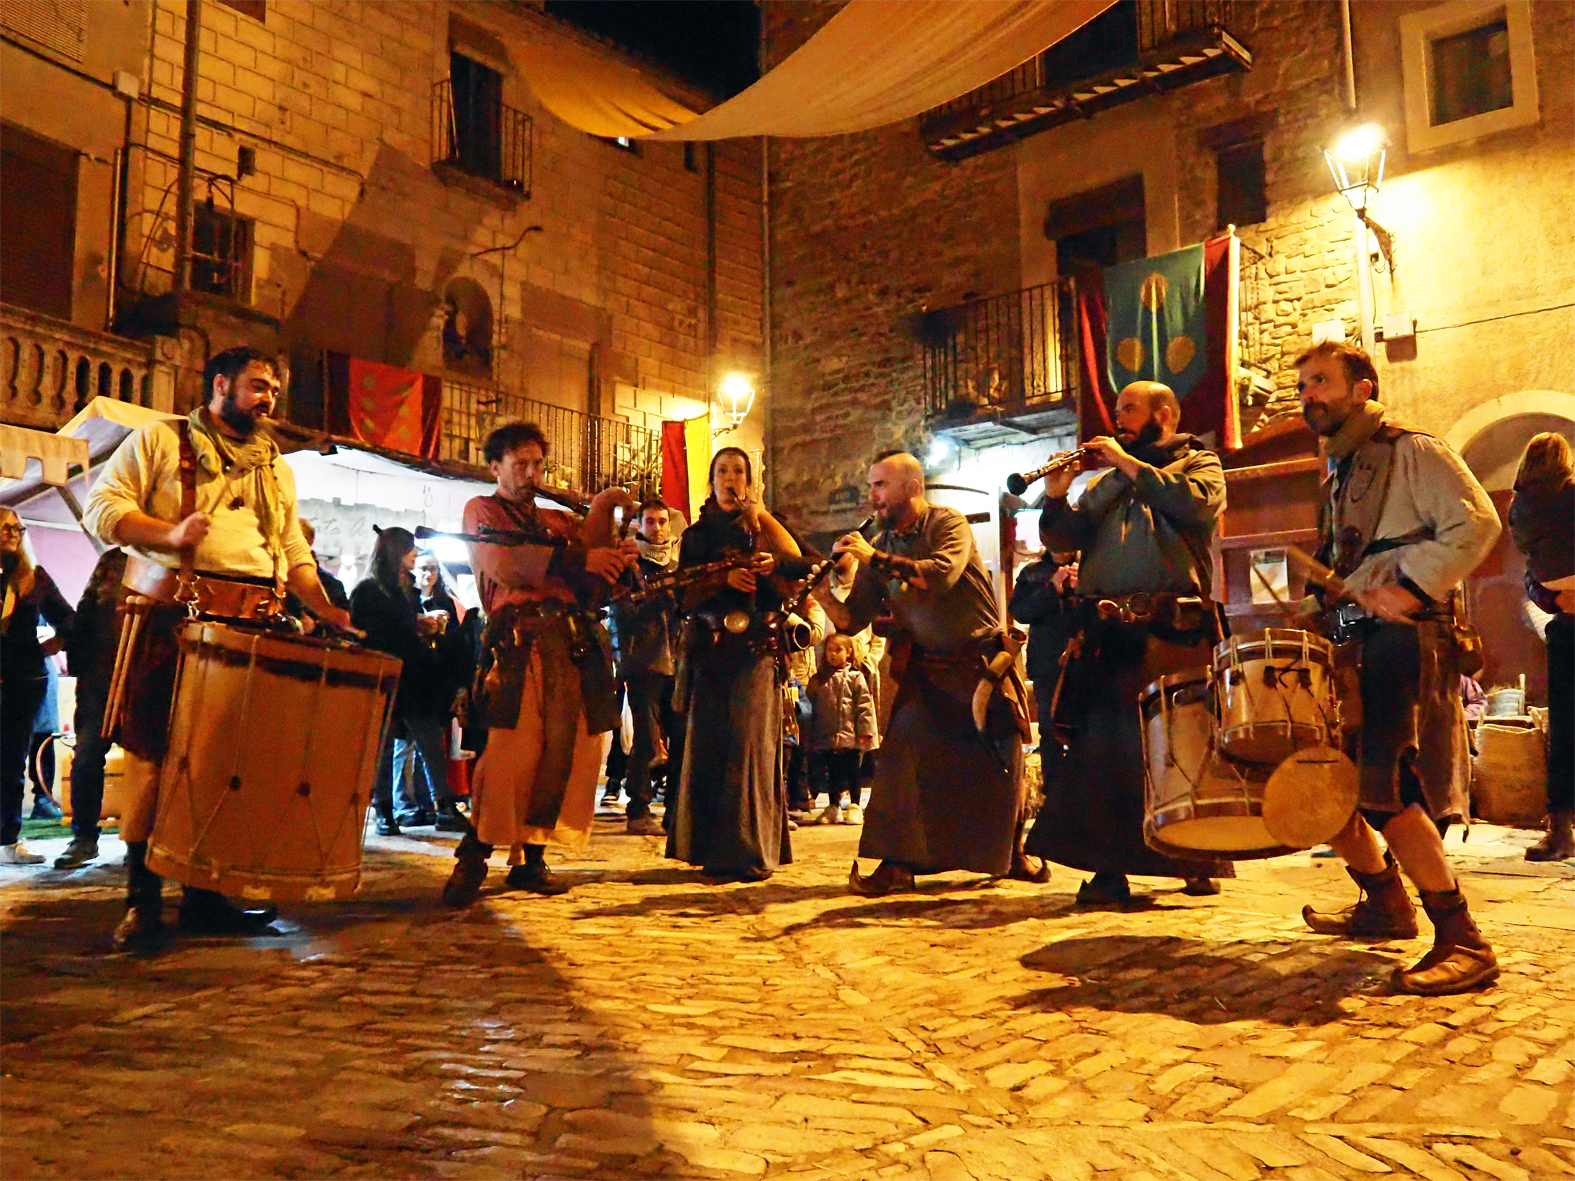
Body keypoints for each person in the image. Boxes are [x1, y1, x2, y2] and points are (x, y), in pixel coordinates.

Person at [81, 345, 352, 949]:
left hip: (253, 623)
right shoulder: (161, 440)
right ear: (221, 385)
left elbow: (291, 548)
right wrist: (170, 532)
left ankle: (204, 897)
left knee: (227, 766)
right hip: (173, 618)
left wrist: (323, 606)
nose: (268, 398)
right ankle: (142, 901)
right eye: (258, 385)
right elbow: (104, 510)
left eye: (274, 389)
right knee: (155, 757)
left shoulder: (274, 467)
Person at [1293, 341, 1501, 995]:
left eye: (1320, 381)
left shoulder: (1412, 449)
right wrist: (1310, 612)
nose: (1308, 396)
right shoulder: (1342, 472)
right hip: (1354, 638)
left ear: (1362, 388)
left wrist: (1409, 588)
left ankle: (1463, 938)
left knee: (1387, 787)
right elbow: (1343, 565)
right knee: (1328, 783)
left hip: (1404, 638)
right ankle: (1385, 903)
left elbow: (1476, 525)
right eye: (1302, 386)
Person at [1025, 383, 1232, 904]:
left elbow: (1196, 507)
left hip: (1171, 633)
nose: (1118, 420)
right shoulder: (1107, 483)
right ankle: (1109, 871)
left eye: (1129, 410)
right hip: (1109, 636)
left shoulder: (1199, 463)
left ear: (1164, 413)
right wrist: (1056, 495)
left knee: (1179, 749)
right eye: (1117, 411)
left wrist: (1125, 462)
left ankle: (1194, 859)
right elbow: (1063, 539)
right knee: (1105, 756)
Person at [816, 452, 1038, 894]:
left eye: (881, 485)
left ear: (912, 488)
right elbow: (851, 620)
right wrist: (821, 589)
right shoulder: (880, 544)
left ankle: (1008, 855)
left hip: (981, 665)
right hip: (927, 668)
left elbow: (940, 576)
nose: (873, 496)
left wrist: (873, 557)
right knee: (901, 761)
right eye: (871, 485)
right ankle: (897, 865)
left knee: (997, 766)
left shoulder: (947, 524)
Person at [441, 421, 634, 904]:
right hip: (517, 646)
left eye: (537, 464)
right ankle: (474, 855)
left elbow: (591, 583)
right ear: (495, 467)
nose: (531, 473)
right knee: (509, 752)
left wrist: (616, 557)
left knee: (566, 750)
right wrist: (581, 559)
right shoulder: (481, 510)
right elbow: (506, 564)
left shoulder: (558, 521)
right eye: (520, 464)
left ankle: (532, 859)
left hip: (568, 645)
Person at [666, 447, 807, 883]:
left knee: (749, 748)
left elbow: (802, 562)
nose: (730, 478)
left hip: (757, 651)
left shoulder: (765, 528)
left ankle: (748, 851)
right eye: (723, 471)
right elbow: (681, 592)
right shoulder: (696, 536)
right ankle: (707, 850)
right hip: (711, 651)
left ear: (749, 480)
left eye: (738, 471)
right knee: (709, 746)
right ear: (711, 480)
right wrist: (720, 579)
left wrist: (769, 556)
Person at [350, 528, 449, 836]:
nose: (415, 555)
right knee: (383, 746)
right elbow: (367, 634)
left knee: (429, 742)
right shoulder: (369, 590)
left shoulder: (402, 590)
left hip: (413, 679)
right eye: (409, 549)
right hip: (386, 675)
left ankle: (443, 805)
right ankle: (383, 810)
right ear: (396, 552)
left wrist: (421, 626)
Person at [1507, 432, 1574, 861]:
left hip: (1564, 625)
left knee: (1564, 730)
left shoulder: (1519, 508)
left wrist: (1552, 598)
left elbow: (1530, 568)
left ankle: (1560, 831)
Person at [0, 509, 74, 865]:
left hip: (23, 680)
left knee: (11, 761)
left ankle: (7, 840)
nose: (12, 533)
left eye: (18, 528)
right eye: (4, 527)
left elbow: (68, 619)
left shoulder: (33, 577)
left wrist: (53, 645)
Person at [609, 499, 683, 837]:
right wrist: (653, 598)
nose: (657, 528)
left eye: (662, 521)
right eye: (650, 522)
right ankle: (638, 809)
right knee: (646, 742)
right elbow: (621, 615)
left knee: (680, 740)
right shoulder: (629, 566)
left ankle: (675, 812)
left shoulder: (676, 566)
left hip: (677, 662)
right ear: (640, 525)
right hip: (643, 664)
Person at [54, 547, 128, 870]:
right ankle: (84, 838)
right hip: (99, 680)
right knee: (86, 758)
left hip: (146, 677)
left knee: (149, 765)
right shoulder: (113, 560)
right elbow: (84, 616)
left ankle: (142, 841)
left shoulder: (165, 560)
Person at [805, 632, 876, 825]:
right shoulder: (818, 679)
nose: (833, 654)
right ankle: (833, 806)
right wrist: (810, 733)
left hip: (850, 736)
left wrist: (865, 731)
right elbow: (810, 706)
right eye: (829, 650)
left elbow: (864, 706)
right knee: (832, 772)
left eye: (838, 650)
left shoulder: (855, 677)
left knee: (853, 770)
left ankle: (855, 806)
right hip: (826, 736)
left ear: (849, 652)